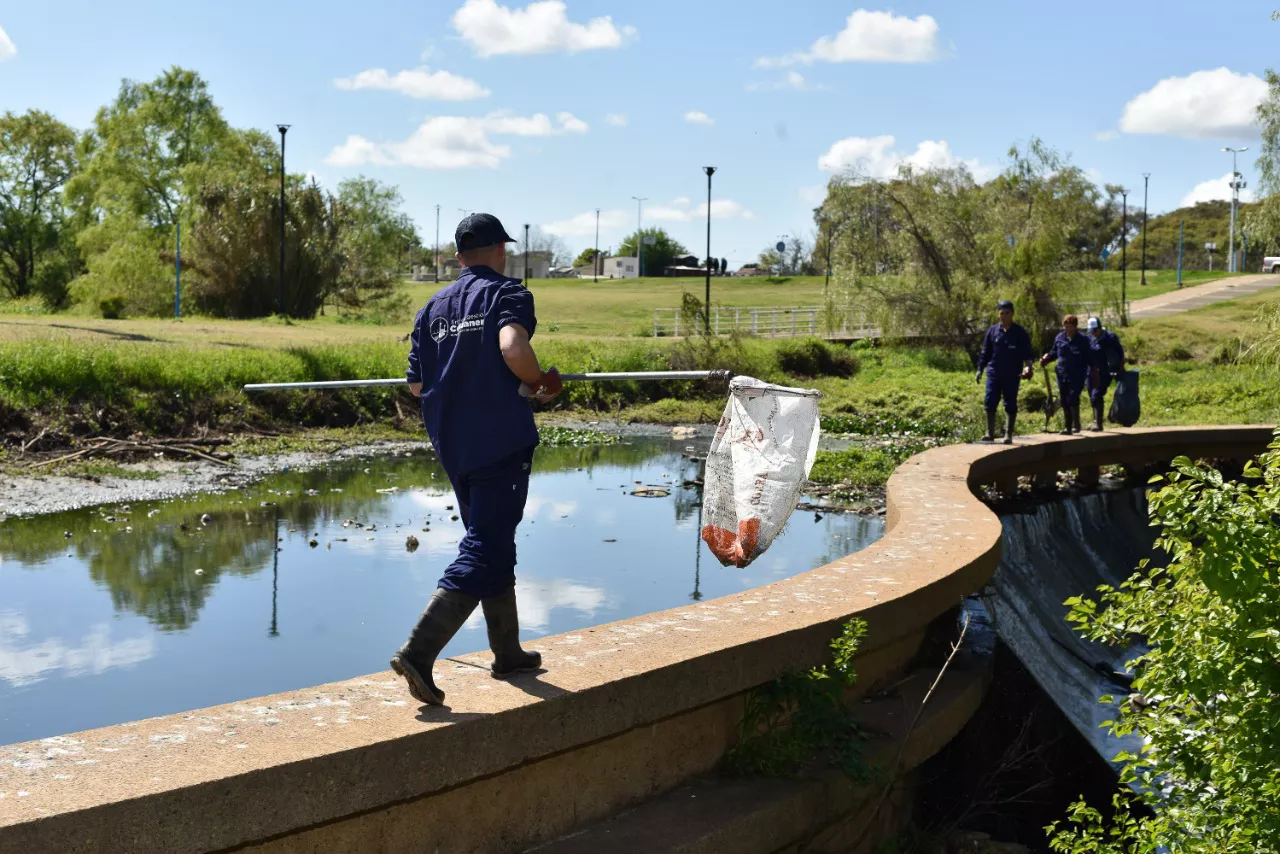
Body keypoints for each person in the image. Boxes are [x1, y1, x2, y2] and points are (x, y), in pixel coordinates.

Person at [391, 213, 562, 706]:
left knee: (491, 536)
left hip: (452, 443)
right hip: (499, 439)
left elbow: (418, 385)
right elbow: (513, 346)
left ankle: (506, 652)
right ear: (500, 250)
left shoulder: (432, 308)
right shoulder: (508, 292)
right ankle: (419, 652)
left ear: (460, 254)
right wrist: (538, 384)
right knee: (486, 544)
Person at [976, 299, 1034, 444]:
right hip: (994, 373)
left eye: (1007, 313)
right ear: (998, 314)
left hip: (1012, 374)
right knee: (990, 401)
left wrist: (1028, 366)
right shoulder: (992, 331)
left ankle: (1008, 434)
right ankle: (989, 433)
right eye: (1001, 313)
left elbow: (1027, 353)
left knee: (1010, 404)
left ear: (1012, 314)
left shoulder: (1019, 332)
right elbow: (985, 352)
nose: (1004, 316)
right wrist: (979, 369)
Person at [1040, 314, 1090, 435]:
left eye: (1071, 327)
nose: (1068, 329)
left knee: (1072, 397)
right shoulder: (1059, 338)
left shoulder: (1083, 340)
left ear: (1075, 327)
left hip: (1077, 374)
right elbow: (1054, 352)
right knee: (1064, 400)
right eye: (1066, 326)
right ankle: (1068, 427)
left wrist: (1093, 371)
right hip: (1062, 374)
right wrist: (1047, 358)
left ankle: (1076, 424)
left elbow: (1089, 357)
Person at [1085, 317, 1125, 432]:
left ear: (1099, 328)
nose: (1094, 333)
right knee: (1091, 395)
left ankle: (1098, 423)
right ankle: (1094, 421)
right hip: (1091, 371)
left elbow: (1119, 353)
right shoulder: (1090, 338)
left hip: (1105, 372)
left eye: (1095, 330)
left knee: (1096, 395)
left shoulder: (1110, 338)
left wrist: (1120, 366)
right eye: (1092, 331)